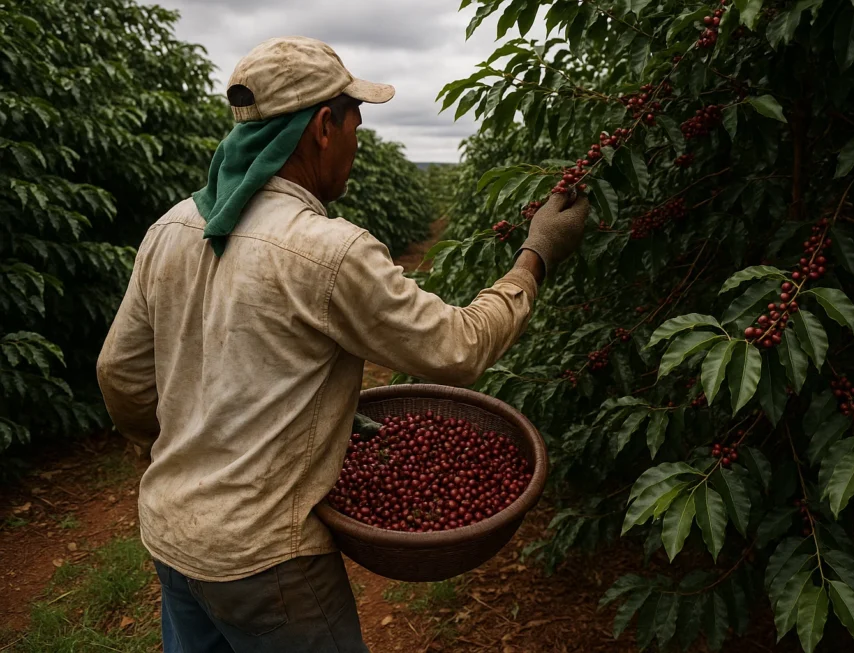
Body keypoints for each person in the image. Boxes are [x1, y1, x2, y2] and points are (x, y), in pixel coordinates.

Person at [96, 36, 589, 652]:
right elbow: (457, 347)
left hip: (174, 537)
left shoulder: (170, 227)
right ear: (324, 127)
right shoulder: (329, 251)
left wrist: (172, 450)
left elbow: (121, 375)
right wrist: (536, 255)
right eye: (356, 119)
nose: (357, 138)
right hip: (267, 561)